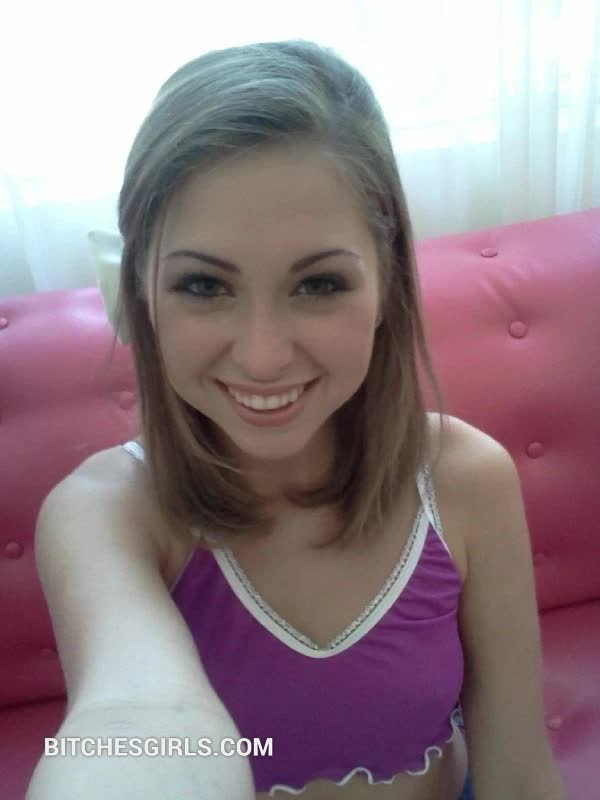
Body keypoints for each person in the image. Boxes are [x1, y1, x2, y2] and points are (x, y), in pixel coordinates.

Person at [28, 39, 569, 800]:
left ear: (386, 283)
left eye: (318, 284)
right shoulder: (106, 514)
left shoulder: (466, 481)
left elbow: (519, 773)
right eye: (203, 285)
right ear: (142, 291)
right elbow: (134, 718)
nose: (263, 357)